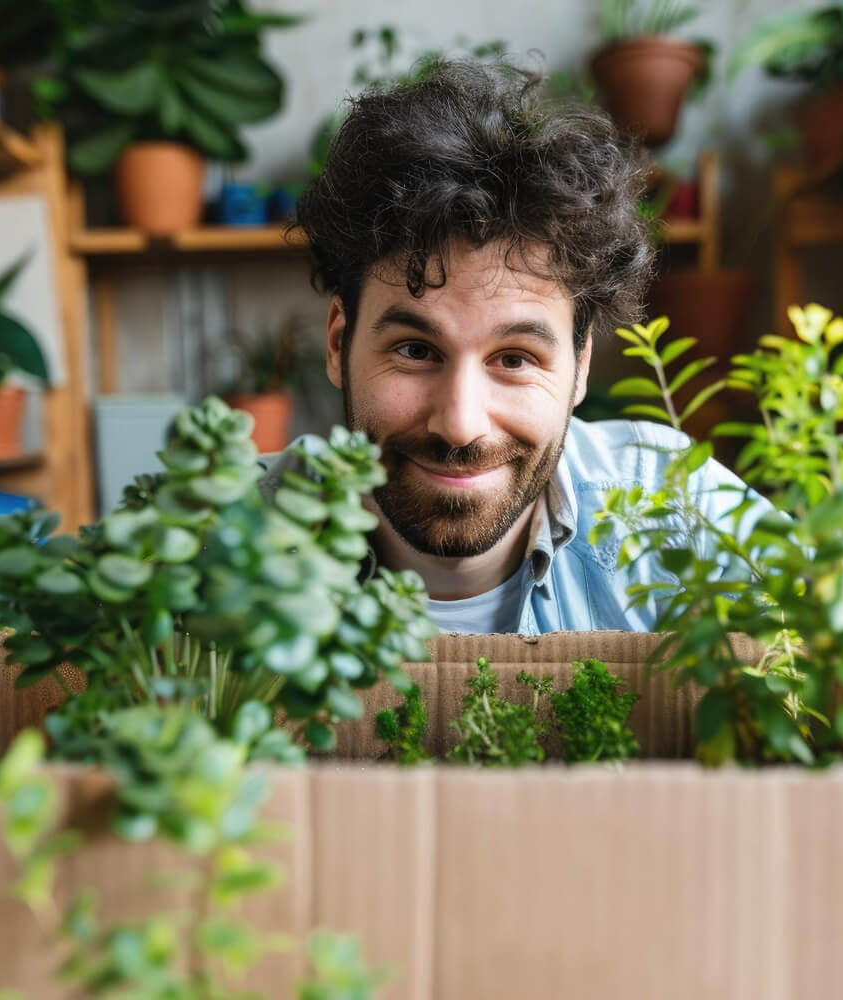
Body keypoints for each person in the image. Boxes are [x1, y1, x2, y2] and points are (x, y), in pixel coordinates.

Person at [276, 60, 764, 635]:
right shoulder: (212, 542)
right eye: (414, 350)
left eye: (514, 359)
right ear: (339, 344)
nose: (459, 425)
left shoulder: (676, 508)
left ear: (579, 367)